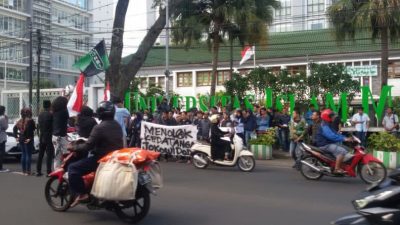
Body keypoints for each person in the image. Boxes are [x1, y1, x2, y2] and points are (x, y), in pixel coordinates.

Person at [68, 101, 123, 207]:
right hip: (115, 158)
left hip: (101, 159)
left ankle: (83, 194)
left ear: (100, 113)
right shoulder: (117, 126)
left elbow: (88, 146)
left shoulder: (99, 127)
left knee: (72, 168)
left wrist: (74, 147)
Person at [315, 109, 353, 174]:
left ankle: (339, 163)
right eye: (331, 116)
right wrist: (344, 139)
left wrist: (345, 137)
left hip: (328, 142)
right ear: (327, 117)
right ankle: (337, 169)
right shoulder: (324, 125)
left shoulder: (327, 124)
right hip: (324, 144)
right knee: (342, 151)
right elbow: (331, 136)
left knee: (346, 149)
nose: (333, 117)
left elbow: (335, 133)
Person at [13, 108, 36, 175]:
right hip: (28, 139)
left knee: (23, 154)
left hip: (21, 139)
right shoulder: (30, 121)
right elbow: (31, 130)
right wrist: (30, 138)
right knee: (28, 155)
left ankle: (23, 171)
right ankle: (28, 171)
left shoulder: (20, 120)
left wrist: (16, 137)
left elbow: (15, 128)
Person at [37, 100, 54, 176]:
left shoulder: (40, 115)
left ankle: (38, 171)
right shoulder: (51, 115)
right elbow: (53, 126)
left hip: (42, 135)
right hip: (49, 136)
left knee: (41, 154)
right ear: (50, 106)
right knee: (49, 154)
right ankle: (48, 171)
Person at [52, 96, 69, 170]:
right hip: (61, 136)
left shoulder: (55, 112)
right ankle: (65, 168)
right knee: (67, 153)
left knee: (57, 155)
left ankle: (57, 170)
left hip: (55, 136)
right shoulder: (64, 112)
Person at [0, 105, 9, 173]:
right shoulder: (2, 118)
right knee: (1, 152)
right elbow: (6, 127)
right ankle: (1, 168)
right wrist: (7, 119)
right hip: (1, 137)